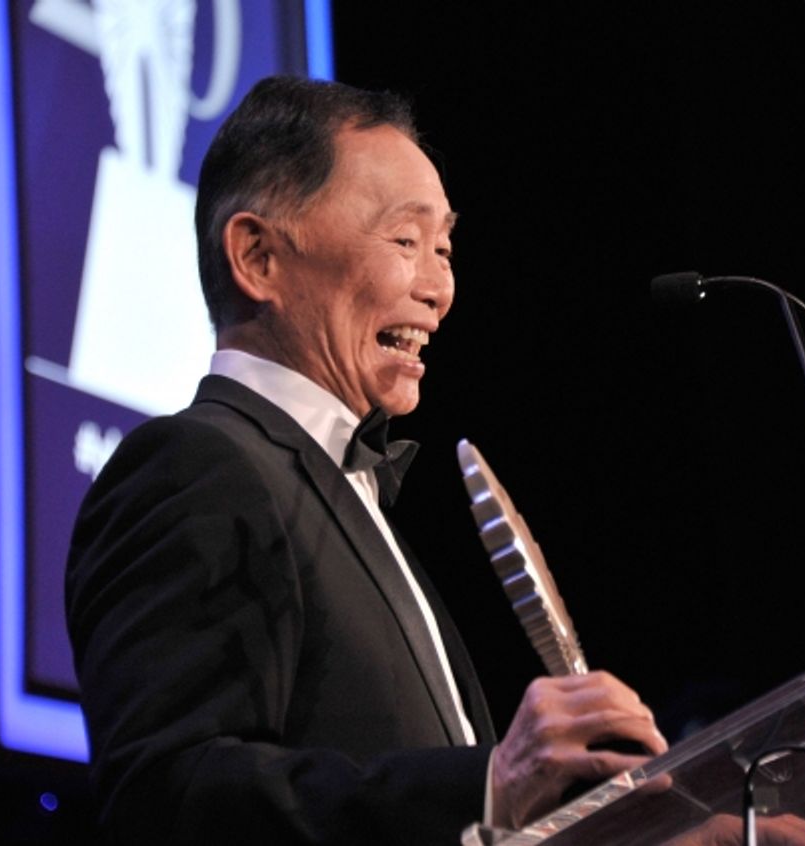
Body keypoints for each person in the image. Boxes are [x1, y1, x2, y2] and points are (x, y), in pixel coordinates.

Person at [65, 75, 667, 845]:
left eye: (444, 247)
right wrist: (490, 782)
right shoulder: (194, 466)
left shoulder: (351, 495)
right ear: (257, 257)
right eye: (406, 241)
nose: (441, 288)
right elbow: (168, 798)